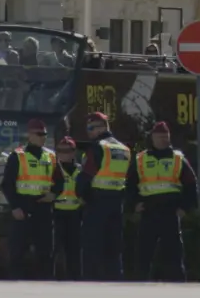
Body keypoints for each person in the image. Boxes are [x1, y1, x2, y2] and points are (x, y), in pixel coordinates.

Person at [126, 121, 198, 281]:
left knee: (174, 257)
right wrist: (134, 204)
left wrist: (184, 208)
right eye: (159, 137)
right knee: (143, 256)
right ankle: (140, 289)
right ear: (152, 138)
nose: (162, 140)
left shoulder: (177, 159)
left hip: (170, 213)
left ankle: (178, 290)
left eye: (165, 137)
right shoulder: (140, 159)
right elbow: (129, 185)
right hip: (148, 212)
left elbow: (191, 185)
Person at [1, 118, 60, 280]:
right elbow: (7, 184)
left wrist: (54, 194)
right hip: (23, 208)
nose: (43, 137)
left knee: (45, 251)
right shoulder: (18, 156)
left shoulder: (51, 156)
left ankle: (46, 284)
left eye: (45, 134)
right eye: (40, 134)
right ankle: (15, 283)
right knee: (17, 251)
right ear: (30, 135)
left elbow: (60, 181)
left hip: (43, 210)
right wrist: (15, 207)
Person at [76, 111, 131, 281]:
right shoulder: (124, 149)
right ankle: (116, 285)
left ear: (102, 127)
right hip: (117, 203)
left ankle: (91, 286)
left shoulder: (98, 147)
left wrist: (81, 194)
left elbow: (86, 175)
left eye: (91, 127)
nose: (89, 132)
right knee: (113, 249)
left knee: (92, 248)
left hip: (96, 202)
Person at [51, 136, 83, 280]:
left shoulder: (80, 170)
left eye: (68, 150)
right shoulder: (52, 168)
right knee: (55, 249)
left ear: (73, 152)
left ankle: (75, 279)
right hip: (56, 213)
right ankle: (53, 278)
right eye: (60, 151)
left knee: (74, 250)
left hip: (75, 214)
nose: (64, 153)